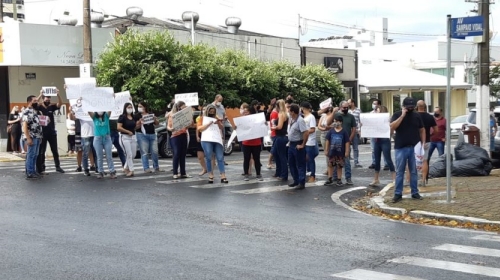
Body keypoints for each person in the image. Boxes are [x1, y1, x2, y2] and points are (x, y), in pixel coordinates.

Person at [390, 97, 425, 203]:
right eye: (408, 107)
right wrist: (402, 115)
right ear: (403, 106)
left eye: (412, 107)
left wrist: (422, 144)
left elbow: (422, 130)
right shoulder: (397, 114)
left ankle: (415, 192)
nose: (410, 109)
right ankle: (397, 194)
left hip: (414, 147)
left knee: (414, 171)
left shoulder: (417, 115)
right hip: (401, 147)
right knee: (400, 171)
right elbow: (392, 126)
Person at [327, 101, 356, 185]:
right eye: (344, 107)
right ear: (340, 107)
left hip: (345, 142)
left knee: (346, 161)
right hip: (335, 143)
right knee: (334, 161)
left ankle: (348, 178)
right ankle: (335, 178)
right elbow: (328, 123)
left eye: (347, 107)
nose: (346, 109)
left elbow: (353, 129)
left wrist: (349, 140)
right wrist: (333, 112)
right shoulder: (336, 116)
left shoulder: (351, 117)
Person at [198, 104, 228, 184]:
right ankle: (210, 175)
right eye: (210, 112)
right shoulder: (202, 119)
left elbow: (221, 127)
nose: (211, 113)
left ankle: (223, 175)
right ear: (207, 111)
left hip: (216, 139)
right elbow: (199, 129)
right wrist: (208, 124)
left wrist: (218, 122)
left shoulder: (216, 117)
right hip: (207, 139)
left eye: (213, 112)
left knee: (220, 157)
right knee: (209, 157)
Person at [36, 90, 65, 174]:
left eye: (49, 98)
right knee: (42, 151)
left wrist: (58, 94)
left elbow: (60, 104)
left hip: (52, 132)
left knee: (55, 150)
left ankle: (58, 166)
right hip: (42, 133)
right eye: (46, 98)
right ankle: (42, 167)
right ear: (43, 99)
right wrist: (40, 94)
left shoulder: (52, 106)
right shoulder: (39, 106)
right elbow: (34, 104)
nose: (48, 100)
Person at [369, 106, 395, 188]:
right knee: (377, 160)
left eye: (378, 111)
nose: (376, 112)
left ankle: (394, 179)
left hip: (384, 140)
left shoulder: (387, 120)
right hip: (377, 140)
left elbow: (391, 131)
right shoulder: (376, 120)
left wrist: (389, 130)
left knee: (388, 159)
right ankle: (376, 179)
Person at [287, 104, 309, 190]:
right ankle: (296, 180)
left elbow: (306, 132)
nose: (288, 112)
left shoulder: (300, 120)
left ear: (293, 112)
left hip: (297, 143)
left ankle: (301, 182)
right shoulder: (292, 119)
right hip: (291, 144)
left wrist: (303, 144)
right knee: (291, 163)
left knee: (300, 164)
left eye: (289, 111)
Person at [239, 104, 264, 181]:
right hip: (246, 142)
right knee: (246, 158)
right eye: (245, 111)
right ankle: (246, 174)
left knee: (257, 159)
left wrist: (264, 124)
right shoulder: (242, 120)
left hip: (256, 142)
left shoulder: (257, 119)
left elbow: (262, 127)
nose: (245, 113)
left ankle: (258, 174)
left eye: (247, 112)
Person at [168, 101, 192, 179]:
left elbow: (188, 126)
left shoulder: (185, 115)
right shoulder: (172, 115)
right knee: (176, 153)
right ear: (179, 107)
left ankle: (183, 172)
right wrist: (171, 129)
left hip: (183, 134)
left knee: (183, 154)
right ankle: (175, 172)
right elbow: (168, 126)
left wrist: (189, 123)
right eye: (183, 107)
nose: (184, 108)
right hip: (175, 136)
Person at [88, 110, 116, 179]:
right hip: (97, 139)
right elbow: (88, 110)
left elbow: (110, 108)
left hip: (107, 138)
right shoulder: (94, 117)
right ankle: (100, 172)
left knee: (109, 156)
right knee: (99, 156)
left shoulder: (106, 115)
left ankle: (112, 171)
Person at [324, 115, 350, 186]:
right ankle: (330, 178)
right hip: (332, 152)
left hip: (340, 153)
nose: (335, 123)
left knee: (339, 166)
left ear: (341, 122)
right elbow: (327, 140)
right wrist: (326, 150)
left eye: (337, 121)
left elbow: (347, 142)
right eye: (334, 121)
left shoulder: (344, 132)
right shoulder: (331, 131)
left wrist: (347, 151)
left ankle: (339, 179)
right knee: (330, 165)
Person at [136, 101, 161, 173]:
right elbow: (135, 127)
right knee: (144, 152)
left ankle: (156, 167)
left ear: (145, 107)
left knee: (155, 151)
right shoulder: (137, 115)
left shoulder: (150, 114)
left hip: (152, 134)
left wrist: (155, 119)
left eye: (141, 106)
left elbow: (157, 124)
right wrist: (139, 122)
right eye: (138, 106)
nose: (139, 108)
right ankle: (146, 168)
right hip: (142, 135)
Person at [416, 100, 437, 184]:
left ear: (417, 106)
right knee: (425, 160)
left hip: (415, 141)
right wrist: (430, 135)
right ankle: (424, 179)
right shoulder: (430, 117)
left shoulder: (414, 116)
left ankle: (410, 180)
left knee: (412, 161)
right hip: (427, 141)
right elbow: (436, 130)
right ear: (425, 107)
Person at [22, 95, 43, 179]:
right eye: (34, 101)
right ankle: (30, 172)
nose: (36, 102)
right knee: (31, 155)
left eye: (36, 101)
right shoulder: (27, 111)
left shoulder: (35, 111)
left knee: (35, 155)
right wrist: (28, 138)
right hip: (32, 136)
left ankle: (33, 171)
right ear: (29, 102)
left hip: (37, 136)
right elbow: (24, 125)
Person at [117, 102, 138, 177]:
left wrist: (139, 124)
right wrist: (127, 131)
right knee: (128, 154)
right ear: (125, 108)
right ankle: (131, 170)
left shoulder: (133, 117)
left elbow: (134, 127)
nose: (130, 109)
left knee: (133, 154)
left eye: (131, 107)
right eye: (128, 107)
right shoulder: (122, 117)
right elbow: (119, 127)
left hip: (133, 137)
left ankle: (125, 167)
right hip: (125, 137)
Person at [300, 102, 319, 183]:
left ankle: (313, 176)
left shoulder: (311, 117)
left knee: (310, 159)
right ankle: (308, 173)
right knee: (306, 159)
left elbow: (312, 129)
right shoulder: (304, 117)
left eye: (302, 108)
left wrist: (305, 132)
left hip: (310, 141)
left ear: (305, 108)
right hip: (304, 140)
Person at [271, 99, 289, 181]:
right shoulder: (283, 114)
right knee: (276, 153)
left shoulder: (281, 114)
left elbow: (280, 126)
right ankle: (279, 172)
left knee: (282, 156)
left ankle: (284, 174)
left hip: (280, 136)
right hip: (280, 136)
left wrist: (273, 127)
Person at [317, 107, 333, 175]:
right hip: (323, 135)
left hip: (331, 135)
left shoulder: (332, 115)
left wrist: (329, 127)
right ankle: (328, 168)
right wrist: (323, 129)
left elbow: (334, 125)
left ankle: (332, 168)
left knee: (331, 152)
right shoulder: (323, 116)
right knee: (326, 153)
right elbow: (319, 125)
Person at [347, 98, 362, 168]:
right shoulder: (347, 111)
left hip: (355, 131)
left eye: (349, 103)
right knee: (347, 147)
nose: (348, 104)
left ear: (353, 103)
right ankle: (347, 161)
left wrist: (359, 130)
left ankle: (356, 162)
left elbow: (360, 120)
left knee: (355, 147)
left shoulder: (358, 110)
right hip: (347, 131)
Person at [195, 105, 208, 176]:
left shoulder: (211, 118)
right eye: (203, 109)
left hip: (209, 137)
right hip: (201, 136)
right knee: (200, 156)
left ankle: (210, 170)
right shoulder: (199, 118)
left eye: (205, 109)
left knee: (210, 155)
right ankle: (204, 169)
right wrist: (197, 136)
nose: (204, 110)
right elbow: (197, 128)